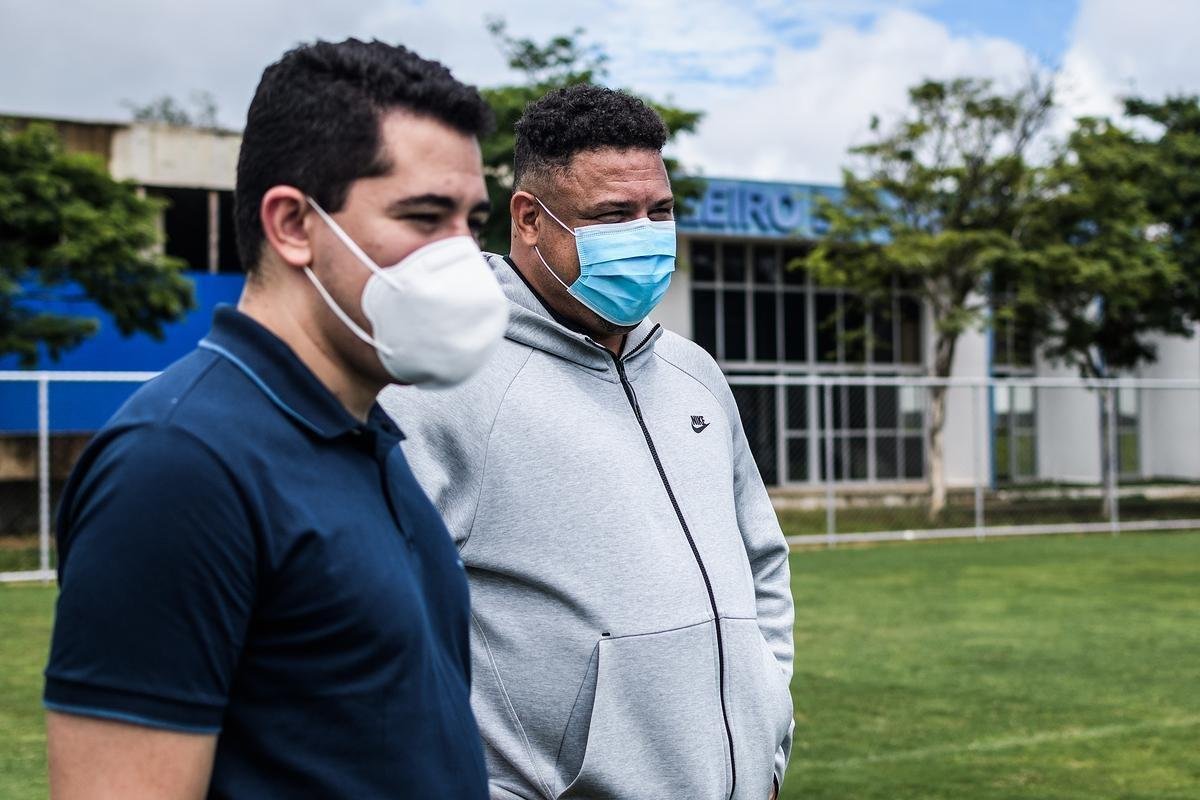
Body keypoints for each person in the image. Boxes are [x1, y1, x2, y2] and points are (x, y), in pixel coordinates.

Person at [43, 39, 507, 799]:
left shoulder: (371, 434)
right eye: (425, 217)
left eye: (471, 222)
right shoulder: (177, 463)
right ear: (294, 223)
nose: (463, 256)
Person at [381, 83, 795, 800]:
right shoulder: (439, 385)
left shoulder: (694, 375)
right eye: (612, 215)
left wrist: (769, 711)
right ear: (529, 219)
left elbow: (762, 562)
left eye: (658, 211)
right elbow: (386, 631)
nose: (645, 233)